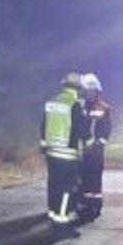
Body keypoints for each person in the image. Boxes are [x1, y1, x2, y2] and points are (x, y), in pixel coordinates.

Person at [41, 73, 86, 223]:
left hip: (51, 152)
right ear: (78, 89)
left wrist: (43, 146)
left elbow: (43, 125)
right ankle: (63, 217)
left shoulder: (52, 102)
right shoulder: (75, 104)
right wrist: (86, 144)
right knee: (67, 186)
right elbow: (80, 129)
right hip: (67, 153)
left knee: (54, 183)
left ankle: (53, 212)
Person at [75, 73, 113, 223]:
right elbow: (78, 126)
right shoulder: (79, 106)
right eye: (87, 91)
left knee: (95, 181)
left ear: (97, 91)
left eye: (91, 91)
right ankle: (83, 205)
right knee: (82, 179)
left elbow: (106, 128)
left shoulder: (103, 108)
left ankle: (95, 206)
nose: (89, 94)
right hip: (82, 150)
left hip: (96, 152)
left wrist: (99, 143)